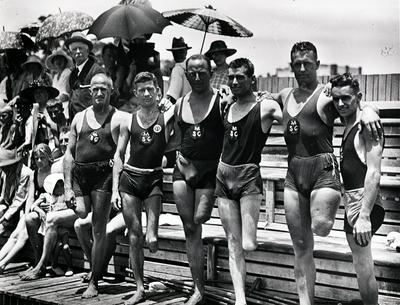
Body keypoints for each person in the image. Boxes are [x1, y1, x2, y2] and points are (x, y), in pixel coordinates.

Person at [272, 41, 382, 305]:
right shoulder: (285, 93)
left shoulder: (327, 94)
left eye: (307, 64)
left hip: (322, 171)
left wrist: (369, 110)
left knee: (321, 229)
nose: (301, 69)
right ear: (291, 66)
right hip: (293, 173)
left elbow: (357, 105)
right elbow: (259, 100)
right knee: (300, 247)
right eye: (296, 64)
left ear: (317, 65)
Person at [215, 58, 282, 305]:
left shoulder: (265, 107)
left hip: (248, 178)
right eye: (231, 77)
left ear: (252, 80)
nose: (233, 82)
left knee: (248, 243)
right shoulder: (227, 105)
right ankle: (240, 299)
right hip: (223, 176)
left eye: (240, 78)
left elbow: (298, 118)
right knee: (233, 243)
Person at [111, 71, 174, 305]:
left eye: (151, 89)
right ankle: (140, 288)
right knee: (135, 237)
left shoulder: (167, 118)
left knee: (152, 240)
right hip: (130, 180)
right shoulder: (128, 120)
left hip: (153, 180)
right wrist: (116, 188)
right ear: (135, 94)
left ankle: (150, 240)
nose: (147, 93)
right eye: (142, 90)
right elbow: (118, 155)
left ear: (158, 91)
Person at [63, 73, 128, 298]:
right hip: (81, 174)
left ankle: (94, 279)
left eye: (104, 89)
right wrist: (68, 187)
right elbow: (68, 155)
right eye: (96, 89)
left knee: (98, 230)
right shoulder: (79, 118)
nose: (100, 93)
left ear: (111, 92)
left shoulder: (119, 118)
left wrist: (117, 187)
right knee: (81, 214)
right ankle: (97, 265)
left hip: (103, 176)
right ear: (90, 91)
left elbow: (123, 152)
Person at [173, 54, 225, 305]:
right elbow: (168, 137)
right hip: (183, 168)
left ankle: (202, 286)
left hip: (208, 170)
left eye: (201, 72)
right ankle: (198, 289)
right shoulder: (180, 103)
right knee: (190, 228)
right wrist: (177, 159)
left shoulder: (221, 101)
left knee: (200, 218)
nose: (196, 77)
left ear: (211, 73)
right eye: (191, 73)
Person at [330, 73, 384, 305]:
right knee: (361, 267)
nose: (340, 104)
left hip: (364, 206)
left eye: (346, 98)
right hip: (352, 203)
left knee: (364, 268)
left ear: (358, 97)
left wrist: (363, 216)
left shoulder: (366, 125)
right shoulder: (350, 122)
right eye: (336, 99)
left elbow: (374, 172)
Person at [66, 32, 104, 121]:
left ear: (87, 51)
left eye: (81, 48)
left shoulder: (96, 70)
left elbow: (102, 98)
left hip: (92, 121)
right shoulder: (72, 74)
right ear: (71, 53)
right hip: (75, 121)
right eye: (75, 49)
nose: (78, 52)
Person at [0, 149, 33, 237]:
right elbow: (4, 195)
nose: (3, 169)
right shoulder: (6, 173)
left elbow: (19, 200)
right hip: (10, 206)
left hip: (21, 208)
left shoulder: (25, 173)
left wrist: (4, 218)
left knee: (3, 225)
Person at [164, 37, 192, 104]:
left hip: (180, 108)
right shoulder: (191, 67)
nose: (177, 54)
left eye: (180, 51)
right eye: (175, 52)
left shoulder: (177, 69)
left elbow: (173, 96)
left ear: (185, 52)